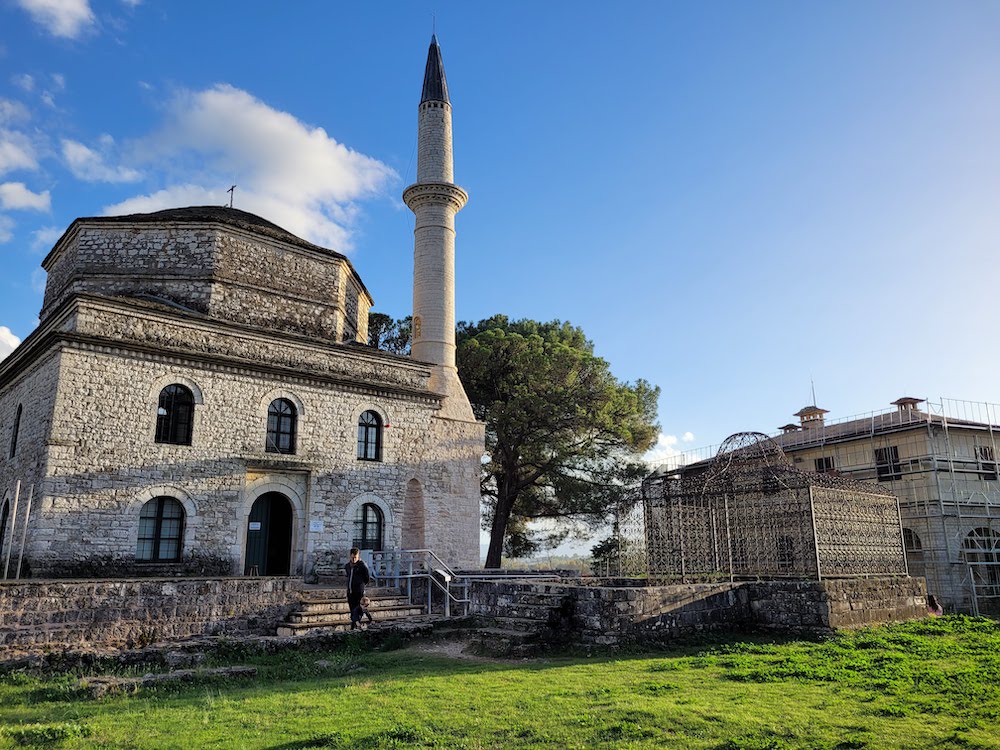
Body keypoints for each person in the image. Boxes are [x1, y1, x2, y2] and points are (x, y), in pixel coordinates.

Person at [345, 547, 371, 631]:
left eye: (355, 557)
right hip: (350, 592)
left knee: (357, 611)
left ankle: (356, 626)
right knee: (352, 611)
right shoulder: (347, 566)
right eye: (352, 557)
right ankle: (354, 626)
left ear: (358, 556)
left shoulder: (362, 566)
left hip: (359, 592)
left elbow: (367, 578)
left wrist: (361, 586)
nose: (353, 559)